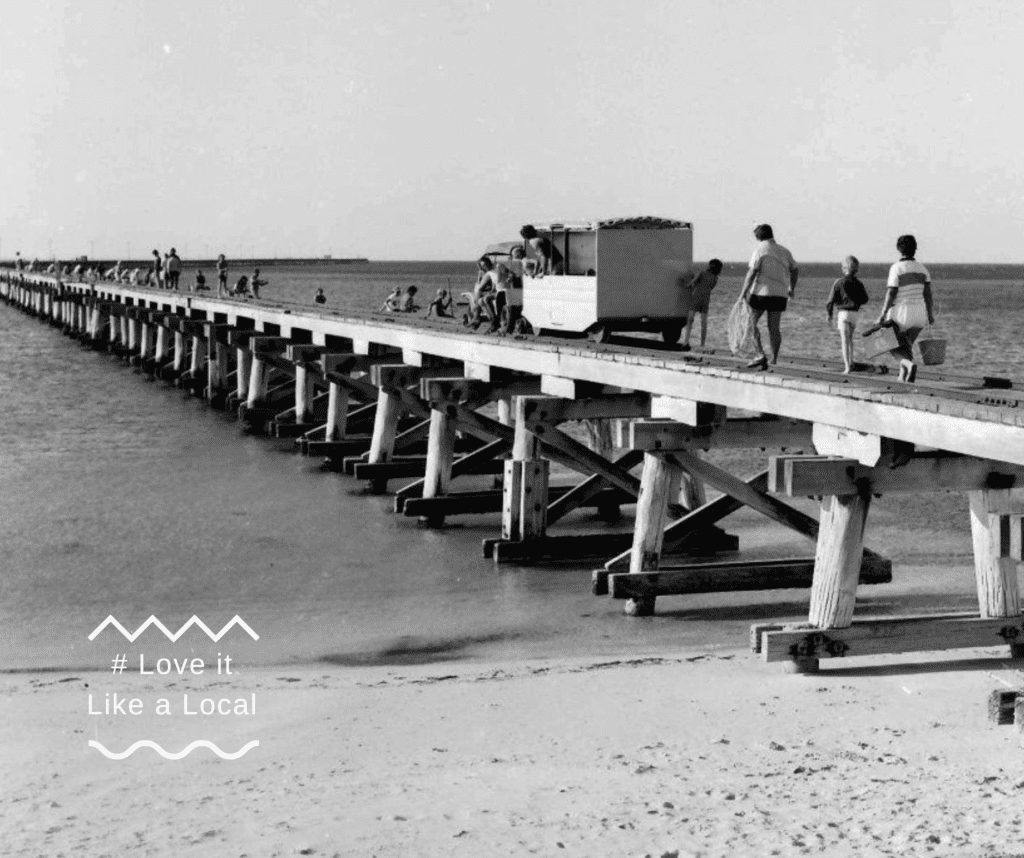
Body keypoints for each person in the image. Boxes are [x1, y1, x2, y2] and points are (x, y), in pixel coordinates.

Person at [875, 234, 934, 383]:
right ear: (915, 249)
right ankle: (902, 377)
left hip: (901, 314)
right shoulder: (923, 269)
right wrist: (930, 315)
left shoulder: (896, 268)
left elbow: (892, 292)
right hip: (919, 315)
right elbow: (928, 295)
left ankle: (909, 365)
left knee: (889, 342)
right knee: (906, 347)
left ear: (899, 249)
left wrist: (882, 314)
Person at [739, 224, 799, 369]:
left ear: (758, 237)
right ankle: (774, 359)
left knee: (750, 324)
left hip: (761, 293)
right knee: (774, 328)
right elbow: (795, 269)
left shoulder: (760, 250)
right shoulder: (785, 251)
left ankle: (760, 354)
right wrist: (791, 287)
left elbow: (752, 273)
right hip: (779, 294)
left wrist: (743, 293)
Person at [826, 255, 869, 374]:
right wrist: (857, 302)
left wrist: (829, 314)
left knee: (844, 340)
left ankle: (847, 367)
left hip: (843, 313)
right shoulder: (859, 283)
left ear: (843, 268)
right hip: (854, 314)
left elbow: (830, 301)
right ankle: (851, 362)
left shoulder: (839, 282)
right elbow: (865, 299)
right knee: (850, 339)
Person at [682, 258, 722, 350]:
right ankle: (702, 344)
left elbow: (693, 282)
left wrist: (685, 286)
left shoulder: (702, 273)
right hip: (706, 299)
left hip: (696, 297)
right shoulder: (715, 278)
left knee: (690, 320)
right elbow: (711, 287)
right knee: (704, 322)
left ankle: (686, 341)